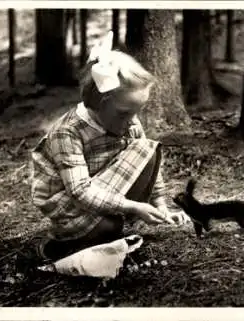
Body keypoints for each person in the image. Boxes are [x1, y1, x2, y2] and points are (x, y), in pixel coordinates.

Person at [30, 31, 190, 262]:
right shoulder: (69, 132)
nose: (132, 119)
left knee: (147, 148)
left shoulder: (126, 122)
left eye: (137, 112)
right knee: (109, 227)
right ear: (101, 103)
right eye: (125, 113)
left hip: (104, 190)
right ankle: (60, 244)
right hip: (69, 204)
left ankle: (103, 227)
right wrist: (133, 207)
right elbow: (79, 191)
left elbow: (147, 159)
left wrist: (160, 205)